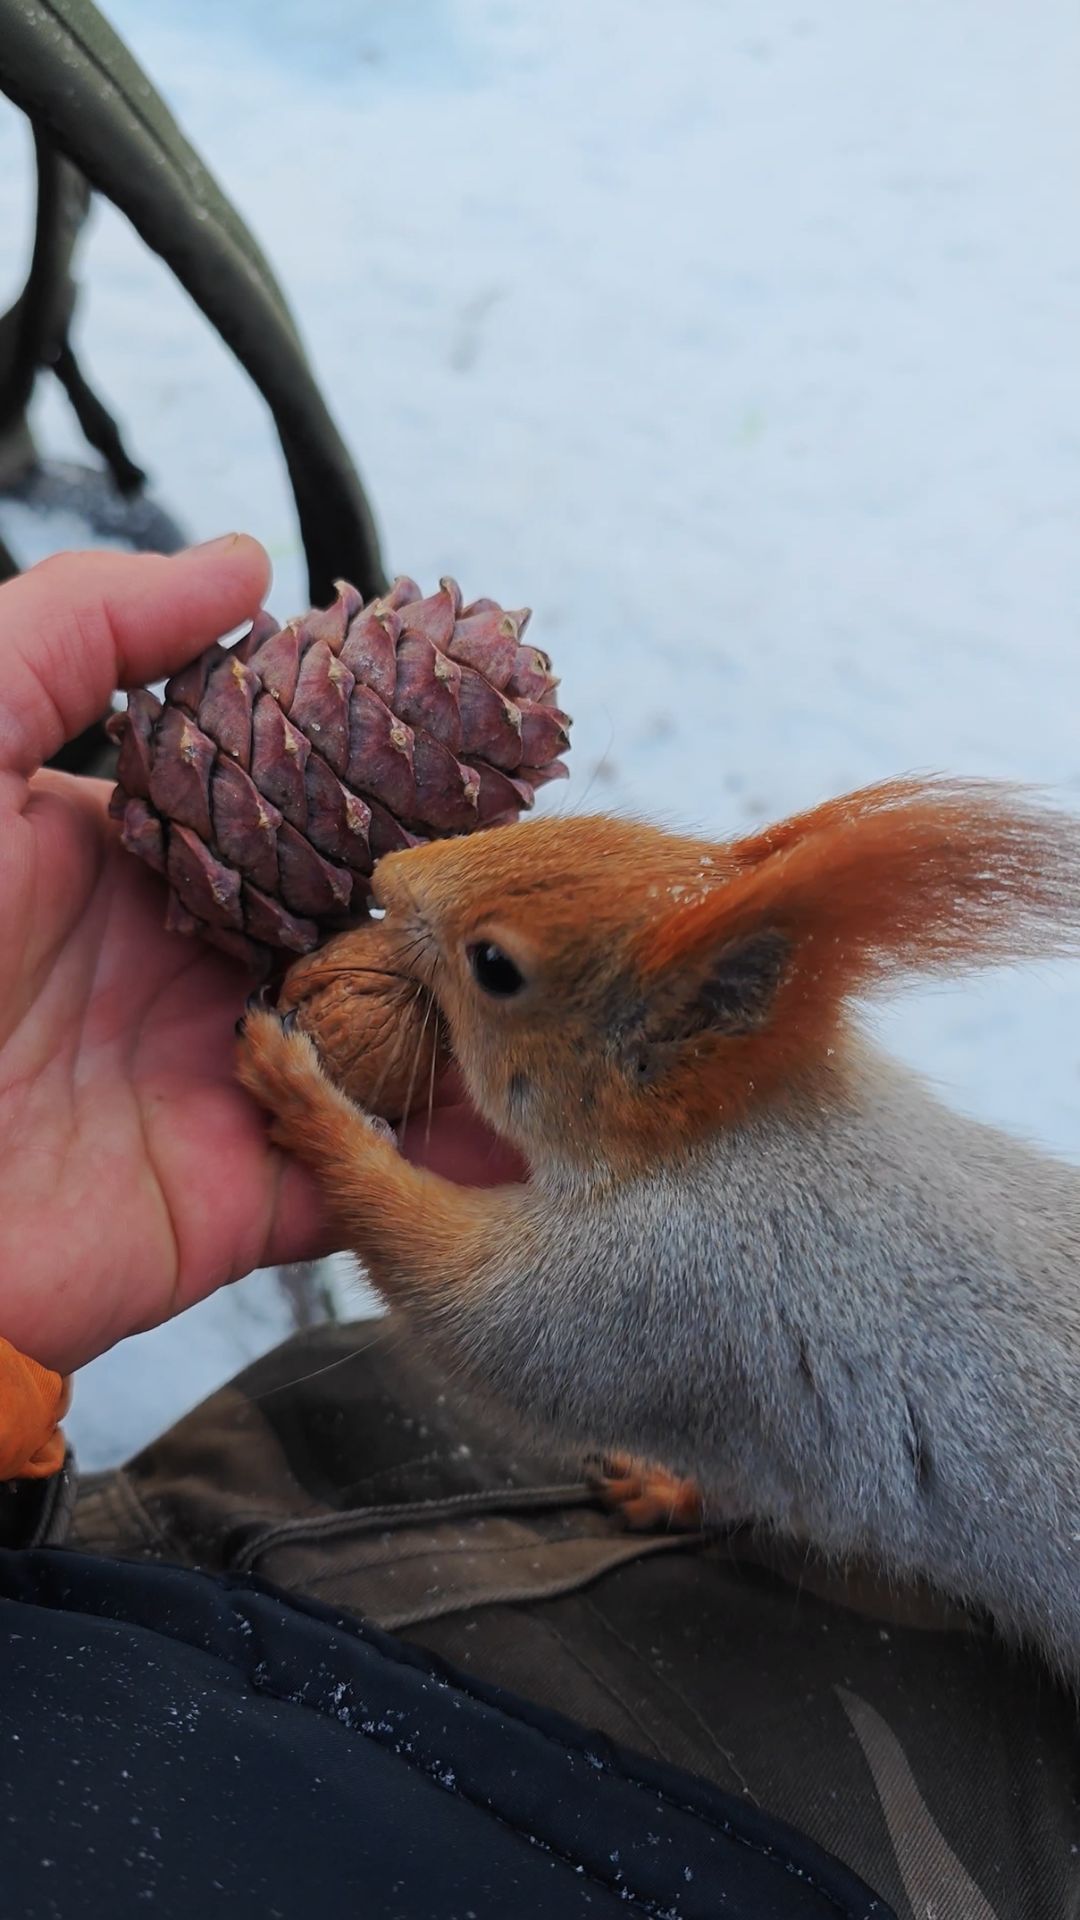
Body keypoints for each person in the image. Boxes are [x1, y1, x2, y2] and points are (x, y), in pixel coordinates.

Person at [0, 542, 1074, 1920]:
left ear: (671, 1047)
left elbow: (502, 1327)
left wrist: (324, 1128)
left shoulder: (708, 1225)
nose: (406, 898)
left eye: (492, 973)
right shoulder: (799, 1144)